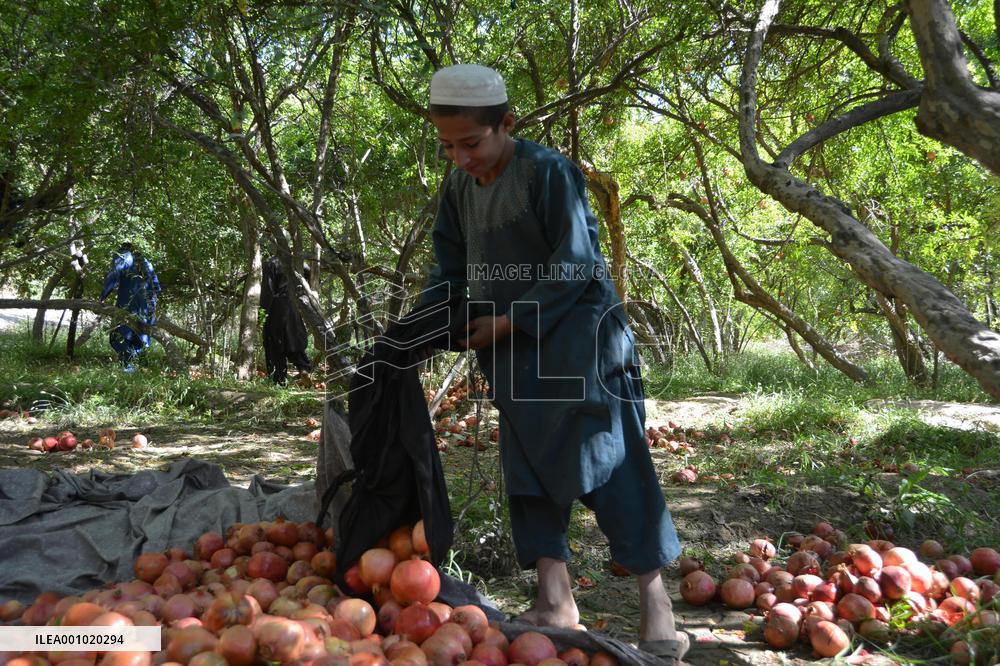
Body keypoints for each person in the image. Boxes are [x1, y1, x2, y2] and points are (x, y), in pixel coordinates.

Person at [419, 64, 688, 663]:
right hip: (513, 357)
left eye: (471, 143)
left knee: (613, 464)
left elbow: (575, 262)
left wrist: (511, 319)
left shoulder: (548, 173)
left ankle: (657, 608)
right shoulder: (459, 188)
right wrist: (420, 327)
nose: (460, 158)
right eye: (448, 146)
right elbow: (449, 271)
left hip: (581, 346)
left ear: (506, 124)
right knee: (529, 471)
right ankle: (555, 599)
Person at [99, 242, 161, 372]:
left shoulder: (123, 256)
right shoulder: (145, 261)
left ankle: (127, 368)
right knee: (140, 335)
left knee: (120, 335)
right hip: (147, 306)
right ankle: (134, 366)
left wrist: (103, 296)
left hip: (129, 302)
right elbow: (156, 286)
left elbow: (113, 275)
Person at [260, 256, 313, 384]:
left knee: (274, 342)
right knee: (293, 340)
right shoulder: (301, 263)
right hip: (293, 306)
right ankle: (303, 368)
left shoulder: (272, 263)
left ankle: (279, 380)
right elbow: (310, 282)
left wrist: (262, 314)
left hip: (275, 306)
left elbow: (268, 290)